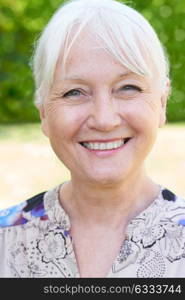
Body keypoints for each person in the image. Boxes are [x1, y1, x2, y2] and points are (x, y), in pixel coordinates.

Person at [0, 0, 185, 278]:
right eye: (74, 92)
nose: (104, 119)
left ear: (161, 102)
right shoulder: (7, 240)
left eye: (128, 88)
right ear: (43, 112)